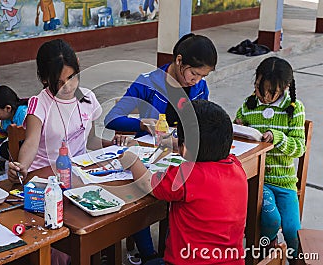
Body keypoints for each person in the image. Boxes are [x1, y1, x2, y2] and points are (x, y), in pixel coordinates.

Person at [118, 100, 248, 264]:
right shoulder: (235, 165)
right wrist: (172, 143)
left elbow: (147, 183)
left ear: (184, 146)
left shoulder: (187, 176)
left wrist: (132, 159)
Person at [8, 38, 128, 180]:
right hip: (46, 176)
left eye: (71, 77)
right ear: (44, 79)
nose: (68, 86)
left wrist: (113, 144)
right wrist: (21, 167)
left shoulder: (87, 98)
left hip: (79, 173)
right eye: (59, 82)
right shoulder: (39, 104)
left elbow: (90, 140)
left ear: (77, 65)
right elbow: (31, 144)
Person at [234, 56, 305, 260]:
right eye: (259, 88)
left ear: (284, 88)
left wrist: (278, 138)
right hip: (258, 180)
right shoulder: (248, 106)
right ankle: (266, 251)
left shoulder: (294, 109)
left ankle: (293, 260)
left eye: (272, 92)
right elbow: (233, 138)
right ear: (255, 81)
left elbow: (299, 147)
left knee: (293, 231)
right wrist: (238, 127)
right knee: (271, 219)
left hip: (284, 182)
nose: (264, 96)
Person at [104, 33, 217, 138]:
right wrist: (142, 125)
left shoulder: (200, 88)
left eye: (202, 76)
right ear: (179, 60)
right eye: (194, 73)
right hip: (150, 150)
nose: (196, 81)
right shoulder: (147, 84)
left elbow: (204, 120)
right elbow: (112, 119)